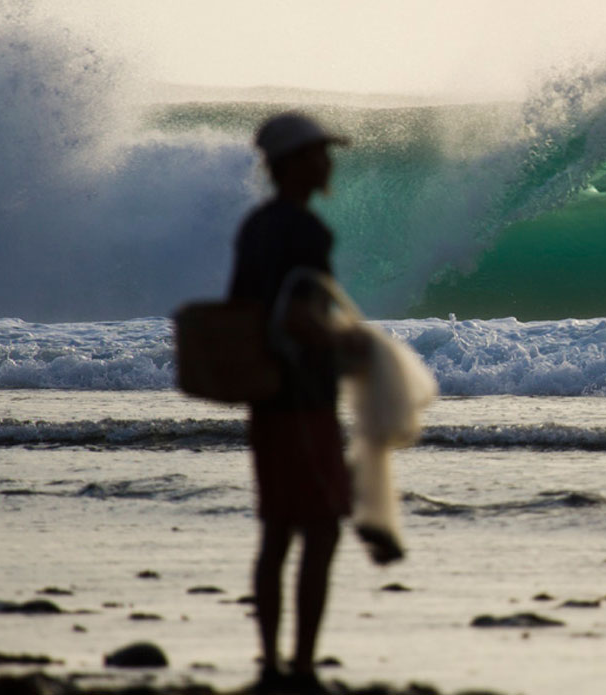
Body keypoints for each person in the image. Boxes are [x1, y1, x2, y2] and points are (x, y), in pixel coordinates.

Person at [228, 112, 377, 694]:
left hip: (267, 397)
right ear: (291, 163)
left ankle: (270, 665)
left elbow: (247, 308)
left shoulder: (257, 225)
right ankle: (303, 668)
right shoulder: (305, 231)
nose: (327, 163)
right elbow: (295, 316)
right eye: (317, 153)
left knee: (277, 532)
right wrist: (348, 343)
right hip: (303, 400)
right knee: (320, 530)